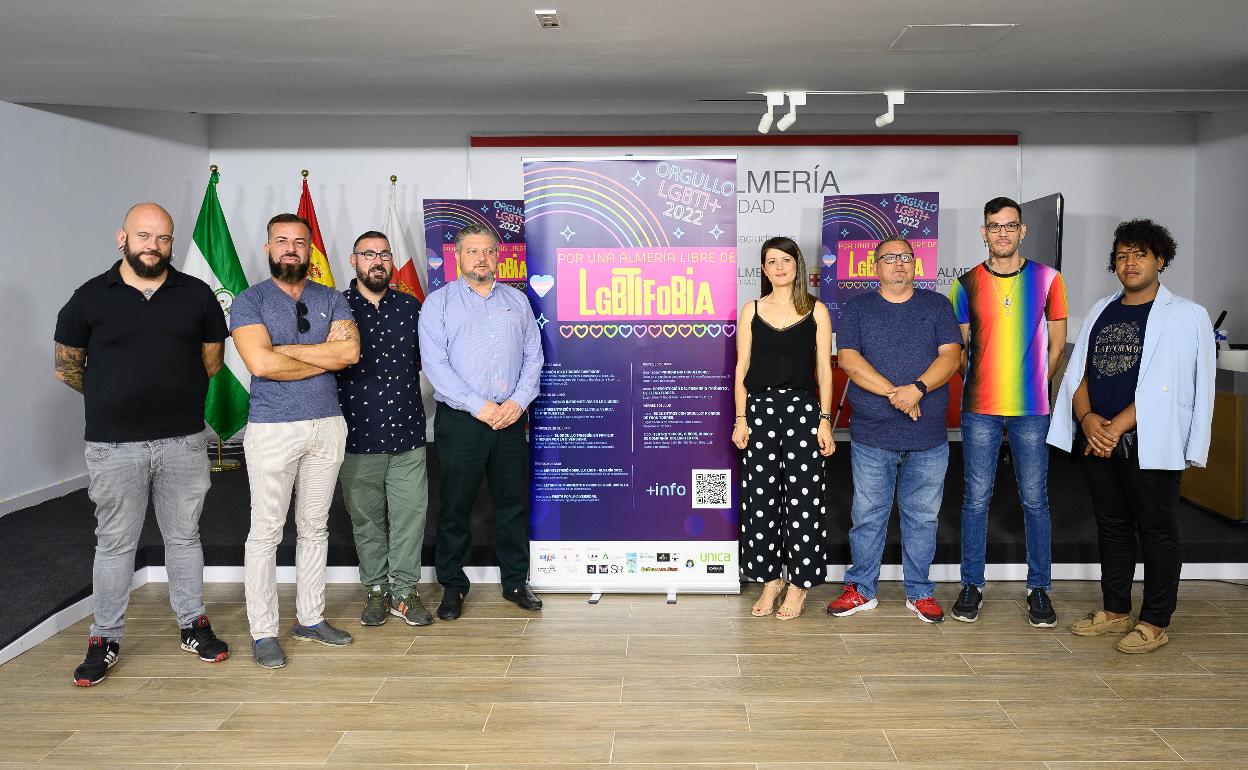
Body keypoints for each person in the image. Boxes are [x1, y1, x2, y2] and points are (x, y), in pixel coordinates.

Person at [54, 202, 230, 686]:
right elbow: (68, 367)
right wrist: (115, 396)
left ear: (172, 244)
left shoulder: (196, 295)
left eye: (164, 239)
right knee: (114, 545)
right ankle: (104, 638)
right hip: (114, 447)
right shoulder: (89, 298)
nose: (153, 246)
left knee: (185, 537)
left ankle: (193, 624)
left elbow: (211, 361)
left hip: (184, 441)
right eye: (144, 236)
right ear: (122, 238)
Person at [1048, 219, 1214, 653]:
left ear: (1160, 259)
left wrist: (1117, 425)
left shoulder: (1187, 315)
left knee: (1157, 531)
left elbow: (1181, 384)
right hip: (1097, 439)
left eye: (1140, 253)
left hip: (1149, 440)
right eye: (1122, 255)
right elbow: (1078, 371)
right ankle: (1116, 608)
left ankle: (1156, 620)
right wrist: (1086, 420)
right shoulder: (1102, 308)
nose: (1130, 262)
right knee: (1112, 527)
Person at [231, 213, 361, 668]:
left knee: (315, 528)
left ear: (310, 250)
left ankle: (311, 618)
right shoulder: (249, 301)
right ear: (268, 248)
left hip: (327, 425)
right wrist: (324, 359)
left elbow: (349, 353)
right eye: (282, 241)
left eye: (300, 242)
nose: (291, 248)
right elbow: (260, 366)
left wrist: (284, 352)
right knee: (266, 533)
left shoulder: (333, 298)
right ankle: (264, 631)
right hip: (272, 429)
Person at [826, 238, 963, 623]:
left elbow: (951, 357)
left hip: (928, 437)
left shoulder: (937, 305)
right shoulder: (857, 307)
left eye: (906, 257)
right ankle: (861, 589)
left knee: (923, 517)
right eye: (890, 258)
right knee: (867, 514)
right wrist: (896, 394)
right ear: (876, 267)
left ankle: (920, 592)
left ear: (915, 264)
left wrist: (917, 389)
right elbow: (849, 361)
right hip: (872, 434)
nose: (899, 264)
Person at [949, 196, 1068, 627]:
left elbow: (1057, 347)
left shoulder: (1049, 279)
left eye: (1010, 225)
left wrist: (1035, 385)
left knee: (1035, 500)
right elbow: (961, 351)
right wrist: (985, 383)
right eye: (994, 226)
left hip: (1031, 410)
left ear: (1023, 231)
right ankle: (971, 585)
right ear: (984, 232)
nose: (1002, 233)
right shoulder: (964, 284)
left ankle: (1039, 589)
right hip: (979, 408)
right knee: (975, 499)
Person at [418, 223, 543, 620]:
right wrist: (480, 406)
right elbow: (435, 365)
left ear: (499, 256)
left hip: (510, 418)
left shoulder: (518, 301)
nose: (481, 258)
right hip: (462, 421)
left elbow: (533, 358)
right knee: (455, 507)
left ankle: (516, 581)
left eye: (489, 251)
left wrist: (518, 403)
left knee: (511, 504)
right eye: (473, 251)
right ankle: (453, 586)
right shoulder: (438, 304)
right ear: (458, 256)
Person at [732, 236, 835, 621]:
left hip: (804, 412)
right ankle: (770, 580)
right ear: (763, 269)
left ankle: (799, 585)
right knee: (760, 501)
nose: (779, 267)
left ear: (797, 265)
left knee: (805, 500)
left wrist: (825, 420)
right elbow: (741, 369)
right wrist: (741, 419)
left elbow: (824, 370)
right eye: (771, 261)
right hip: (758, 412)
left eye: (785, 260)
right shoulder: (751, 311)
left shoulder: (816, 311)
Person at [336, 231, 431, 627]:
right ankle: (376, 590)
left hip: (408, 436)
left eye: (385, 254)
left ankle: (405, 592)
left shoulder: (412, 307)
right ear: (353, 260)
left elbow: (430, 363)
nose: (378, 260)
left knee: (411, 517)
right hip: (357, 437)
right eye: (369, 254)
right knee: (368, 521)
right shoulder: (334, 307)